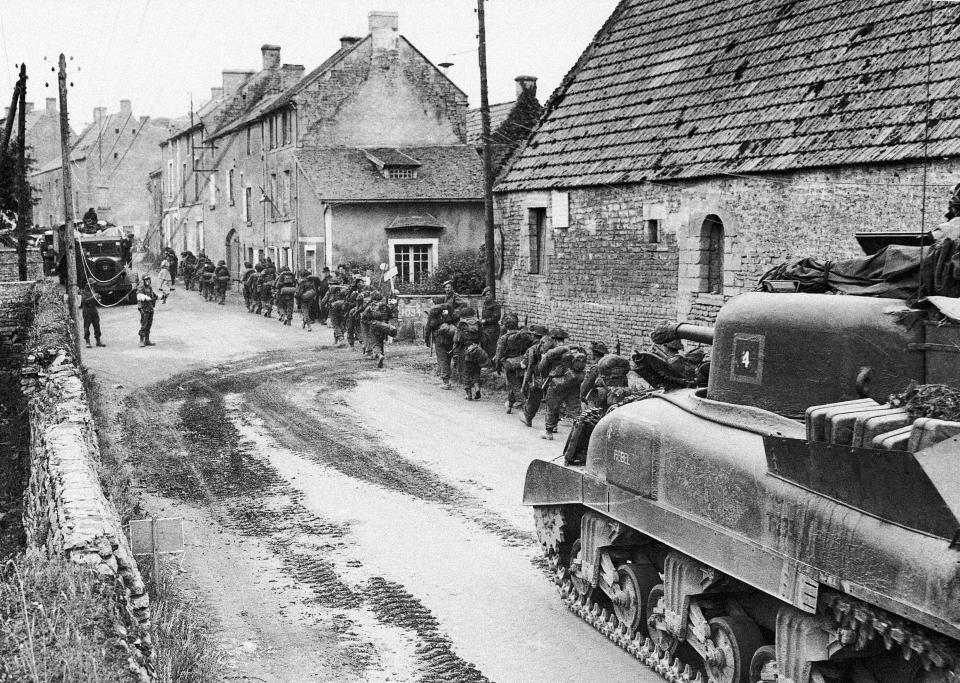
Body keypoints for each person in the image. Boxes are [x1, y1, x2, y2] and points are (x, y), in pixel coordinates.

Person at [539, 337, 586, 440]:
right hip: (574, 383)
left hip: (558, 383)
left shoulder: (554, 352)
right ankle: (583, 433)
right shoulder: (579, 350)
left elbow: (542, 365)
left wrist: (544, 374)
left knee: (552, 405)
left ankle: (549, 432)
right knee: (575, 409)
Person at [494, 314, 535, 413]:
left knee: (515, 385)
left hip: (510, 364)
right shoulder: (524, 335)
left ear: (505, 325)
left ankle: (527, 408)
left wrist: (497, 366)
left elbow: (498, 354)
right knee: (516, 384)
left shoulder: (504, 338)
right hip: (522, 362)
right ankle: (509, 404)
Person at [519, 325, 556, 427]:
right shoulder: (537, 350)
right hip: (545, 379)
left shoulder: (535, 350)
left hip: (544, 379)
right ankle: (551, 424)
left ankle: (529, 418)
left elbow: (524, 364)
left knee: (541, 399)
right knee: (544, 400)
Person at [425, 302, 459, 389]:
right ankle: (448, 378)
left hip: (439, 339)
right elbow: (457, 324)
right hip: (450, 338)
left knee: (442, 359)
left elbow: (428, 328)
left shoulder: (434, 313)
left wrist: (427, 340)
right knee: (448, 358)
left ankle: (446, 382)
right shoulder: (448, 310)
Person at [361, 291, 396, 368]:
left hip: (374, 325)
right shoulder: (385, 306)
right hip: (384, 325)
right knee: (381, 340)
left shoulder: (370, 307)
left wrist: (368, 322)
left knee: (375, 342)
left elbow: (363, 318)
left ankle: (379, 355)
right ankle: (381, 354)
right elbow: (391, 315)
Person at [479, 287, 502, 360]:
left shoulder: (495, 305)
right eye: (485, 295)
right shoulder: (485, 304)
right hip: (485, 328)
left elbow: (496, 318)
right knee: (484, 345)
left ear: (492, 295)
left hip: (493, 329)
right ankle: (487, 363)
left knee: (491, 347)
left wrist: (485, 321)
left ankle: (493, 365)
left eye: (488, 295)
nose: (487, 296)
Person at [136, 275, 159, 347]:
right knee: (144, 325)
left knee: (149, 324)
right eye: (146, 280)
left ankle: (147, 340)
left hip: (150, 308)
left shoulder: (150, 288)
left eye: (149, 279)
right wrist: (145, 297)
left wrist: (163, 296)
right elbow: (139, 295)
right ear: (143, 280)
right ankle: (141, 341)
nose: (148, 281)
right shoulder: (141, 288)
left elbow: (154, 296)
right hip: (144, 309)